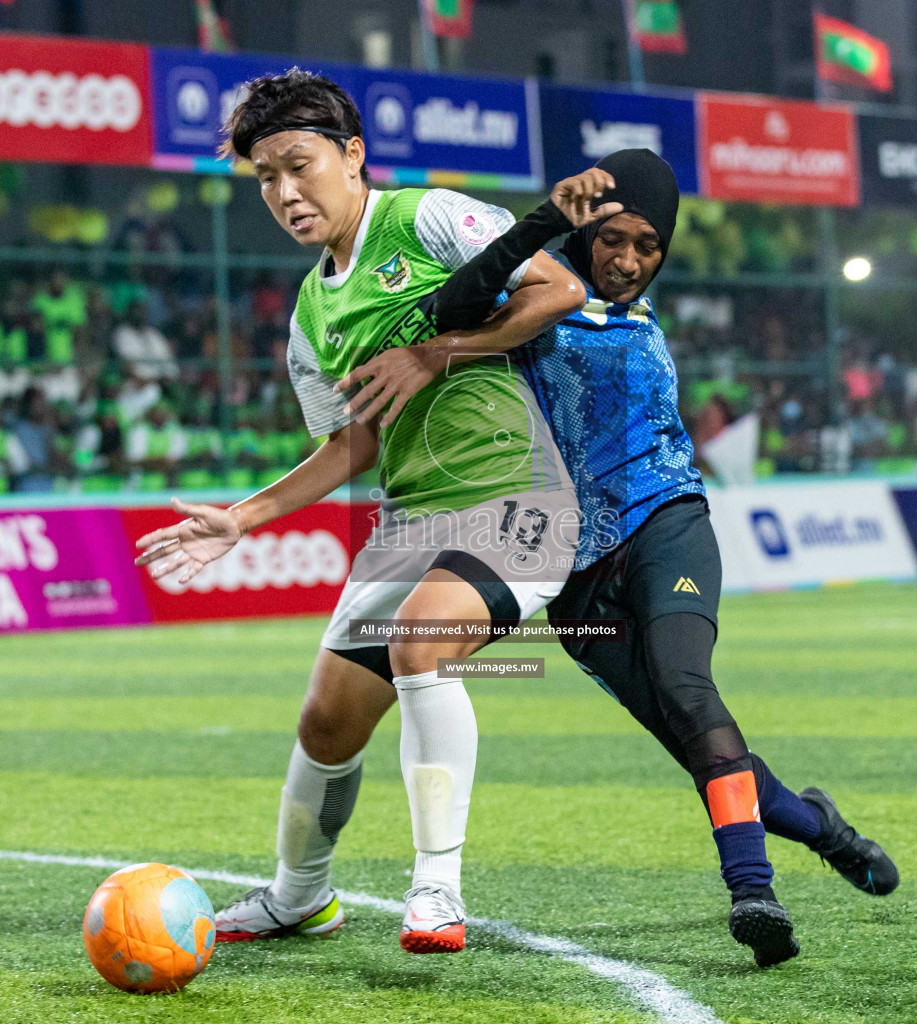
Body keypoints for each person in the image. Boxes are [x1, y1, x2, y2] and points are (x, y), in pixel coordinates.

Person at [339, 150, 898, 967]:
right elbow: (450, 306)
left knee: (685, 685)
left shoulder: (626, 309)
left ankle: (753, 890)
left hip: (665, 520)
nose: (630, 261)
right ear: (588, 232)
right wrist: (544, 221)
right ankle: (825, 828)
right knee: (697, 744)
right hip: (572, 570)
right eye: (614, 240)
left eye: (649, 247)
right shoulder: (539, 298)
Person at [133, 68, 587, 955]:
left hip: (516, 497)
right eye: (265, 177)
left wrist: (436, 352)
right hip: (410, 522)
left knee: (424, 643)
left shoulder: (429, 219)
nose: (284, 193)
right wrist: (242, 517)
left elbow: (557, 290)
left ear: (352, 155)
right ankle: (299, 897)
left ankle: (437, 892)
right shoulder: (311, 312)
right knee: (325, 723)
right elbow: (354, 445)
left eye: (299, 166)